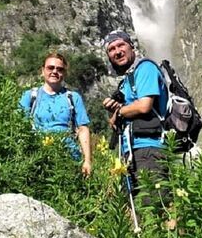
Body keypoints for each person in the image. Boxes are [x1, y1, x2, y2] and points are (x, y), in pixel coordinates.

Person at [101, 30, 169, 193]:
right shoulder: (126, 81)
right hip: (131, 151)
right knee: (135, 204)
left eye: (121, 45)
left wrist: (119, 111)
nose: (117, 51)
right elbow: (118, 121)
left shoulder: (145, 68)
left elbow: (144, 106)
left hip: (149, 149)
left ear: (132, 46)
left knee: (155, 202)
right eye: (111, 49)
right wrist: (114, 112)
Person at [18, 52, 92, 176]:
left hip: (69, 158)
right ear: (42, 71)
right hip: (37, 159)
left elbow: (82, 129)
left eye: (59, 69)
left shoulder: (73, 98)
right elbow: (19, 126)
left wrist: (87, 161)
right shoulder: (30, 96)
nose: (54, 71)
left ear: (64, 73)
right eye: (50, 68)